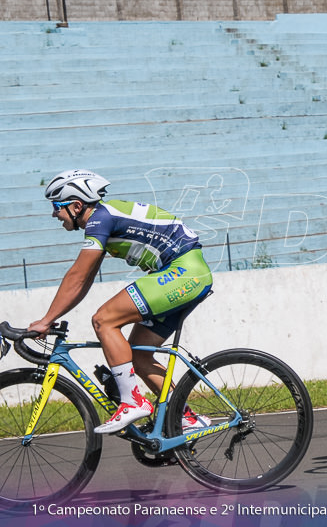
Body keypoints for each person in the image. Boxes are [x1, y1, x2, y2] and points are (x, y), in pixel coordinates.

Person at [29, 170, 213, 434]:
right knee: (137, 354)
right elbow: (84, 282)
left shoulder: (100, 220)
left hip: (182, 271)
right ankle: (185, 418)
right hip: (187, 273)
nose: (54, 214)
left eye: (56, 206)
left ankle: (133, 402)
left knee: (103, 320)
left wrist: (46, 320)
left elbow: (77, 276)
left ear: (77, 205)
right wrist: (51, 318)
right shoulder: (104, 220)